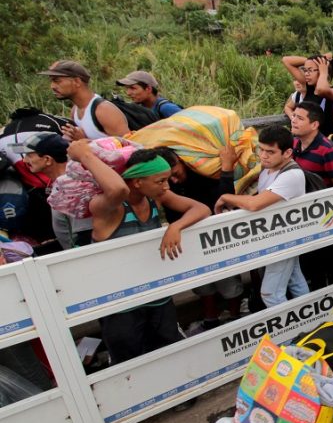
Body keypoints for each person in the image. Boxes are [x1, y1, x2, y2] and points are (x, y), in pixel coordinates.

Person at [72, 142, 210, 363]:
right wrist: (85, 156)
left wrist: (175, 226)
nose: (167, 186)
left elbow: (201, 209)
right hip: (120, 303)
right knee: (129, 358)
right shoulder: (107, 207)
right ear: (137, 182)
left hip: (156, 294)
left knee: (168, 350)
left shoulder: (155, 197)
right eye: (160, 181)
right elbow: (118, 189)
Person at [215, 125, 310, 307]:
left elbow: (255, 204)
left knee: (270, 293)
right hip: (278, 236)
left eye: (270, 152)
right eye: (261, 149)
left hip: (285, 239)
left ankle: (288, 335)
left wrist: (226, 197)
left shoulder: (292, 175)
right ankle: (309, 324)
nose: (263, 155)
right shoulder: (267, 169)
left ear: (287, 152)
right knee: (295, 281)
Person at [156, 143, 245, 332]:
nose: (173, 180)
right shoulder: (166, 186)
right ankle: (210, 320)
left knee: (229, 282)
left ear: (180, 162)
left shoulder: (204, 174)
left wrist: (227, 169)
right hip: (189, 238)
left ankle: (235, 318)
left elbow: (221, 200)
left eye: (175, 173)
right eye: (167, 178)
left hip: (216, 236)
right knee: (203, 285)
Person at [14, 132, 93, 249]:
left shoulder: (71, 186)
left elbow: (85, 234)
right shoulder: (62, 182)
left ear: (47, 160)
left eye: (29, 155)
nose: (25, 160)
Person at [39, 60, 129, 141]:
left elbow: (130, 147)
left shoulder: (103, 110)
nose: (52, 86)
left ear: (77, 82)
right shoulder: (75, 110)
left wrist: (84, 140)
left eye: (57, 81)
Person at [282, 53, 333, 137]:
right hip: (307, 143)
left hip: (325, 144)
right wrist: (313, 60)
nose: (306, 74)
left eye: (310, 70)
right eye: (305, 70)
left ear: (321, 70)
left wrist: (324, 71)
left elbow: (321, 90)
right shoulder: (309, 88)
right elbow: (286, 60)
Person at [290, 102, 333, 187]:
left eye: (300, 118)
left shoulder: (329, 151)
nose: (293, 121)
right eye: (294, 116)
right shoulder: (293, 142)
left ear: (314, 125)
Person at [116, 70, 183, 118]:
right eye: (127, 89)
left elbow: (189, 125)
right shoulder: (138, 107)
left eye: (133, 88)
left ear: (148, 89)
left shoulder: (166, 108)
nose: (128, 93)